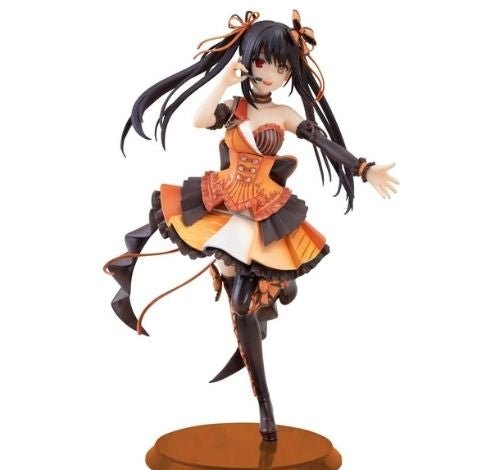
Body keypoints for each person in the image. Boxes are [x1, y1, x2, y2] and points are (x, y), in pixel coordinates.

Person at [106, 10, 398, 441]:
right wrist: (223, 80)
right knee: (234, 288)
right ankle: (264, 395)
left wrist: (362, 168)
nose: (271, 74)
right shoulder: (235, 108)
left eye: (282, 68)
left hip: (263, 207)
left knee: (249, 295)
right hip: (223, 200)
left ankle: (273, 296)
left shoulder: (284, 113)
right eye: (263, 62)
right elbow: (200, 120)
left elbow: (322, 140)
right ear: (247, 58)